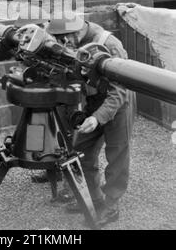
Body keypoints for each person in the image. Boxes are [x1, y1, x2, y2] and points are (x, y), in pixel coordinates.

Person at [46, 12, 135, 227]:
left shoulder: (109, 44)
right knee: (81, 152)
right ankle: (94, 200)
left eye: (62, 39)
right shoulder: (74, 41)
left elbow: (119, 90)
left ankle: (111, 205)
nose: (61, 44)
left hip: (118, 102)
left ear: (74, 33)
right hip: (93, 100)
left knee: (117, 155)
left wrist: (97, 119)